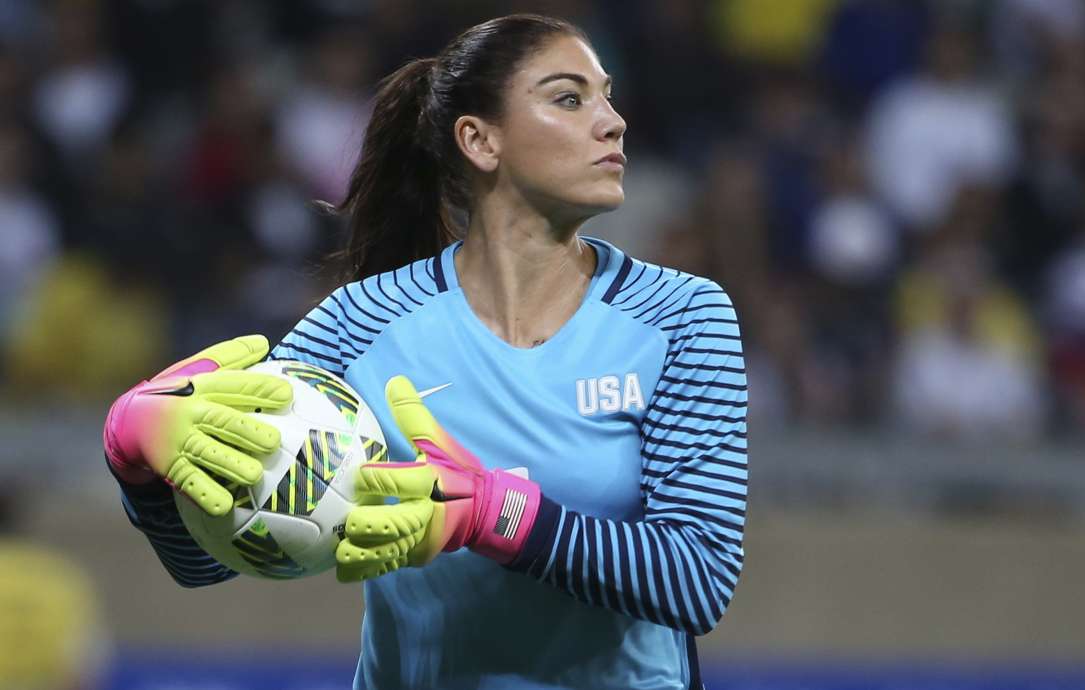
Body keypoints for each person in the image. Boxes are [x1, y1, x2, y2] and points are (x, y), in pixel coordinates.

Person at [101, 14, 748, 690]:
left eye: (608, 96)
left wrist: (498, 516)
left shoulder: (679, 315)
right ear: (480, 139)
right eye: (569, 98)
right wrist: (140, 467)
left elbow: (697, 579)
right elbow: (214, 560)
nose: (613, 121)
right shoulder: (360, 322)